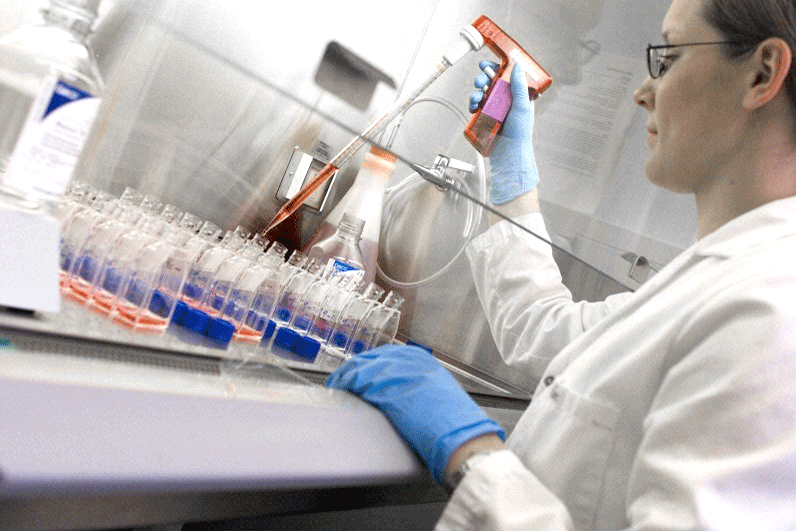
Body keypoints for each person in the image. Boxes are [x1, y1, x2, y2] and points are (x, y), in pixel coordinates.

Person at [326, 0, 796, 528]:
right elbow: (546, 331)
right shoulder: (721, 278)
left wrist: (476, 458)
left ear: (762, 74)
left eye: (668, 59)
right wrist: (512, 177)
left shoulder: (774, 313)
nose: (643, 93)